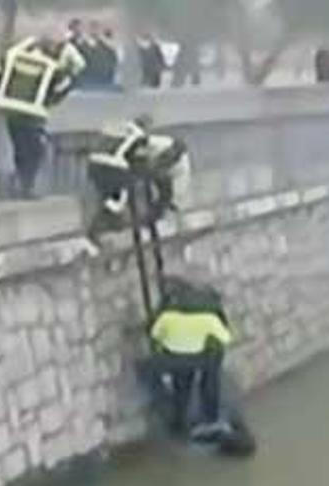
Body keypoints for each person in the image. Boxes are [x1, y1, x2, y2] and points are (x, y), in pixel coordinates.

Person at [0, 32, 86, 198]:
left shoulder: (15, 57)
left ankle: (18, 184)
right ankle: (25, 187)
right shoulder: (51, 67)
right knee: (36, 150)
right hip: (32, 113)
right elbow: (70, 78)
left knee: (20, 148)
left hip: (9, 109)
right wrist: (50, 101)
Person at [85, 115, 191, 245]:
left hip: (94, 163)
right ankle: (106, 223)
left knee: (115, 193)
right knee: (122, 192)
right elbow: (145, 159)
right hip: (113, 164)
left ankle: (107, 222)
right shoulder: (146, 139)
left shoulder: (126, 128)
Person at [150, 276, 233, 436]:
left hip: (175, 360)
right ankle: (210, 419)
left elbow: (155, 335)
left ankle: (180, 424)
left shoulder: (167, 317)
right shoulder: (209, 318)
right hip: (201, 359)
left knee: (181, 389)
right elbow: (226, 338)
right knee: (210, 381)